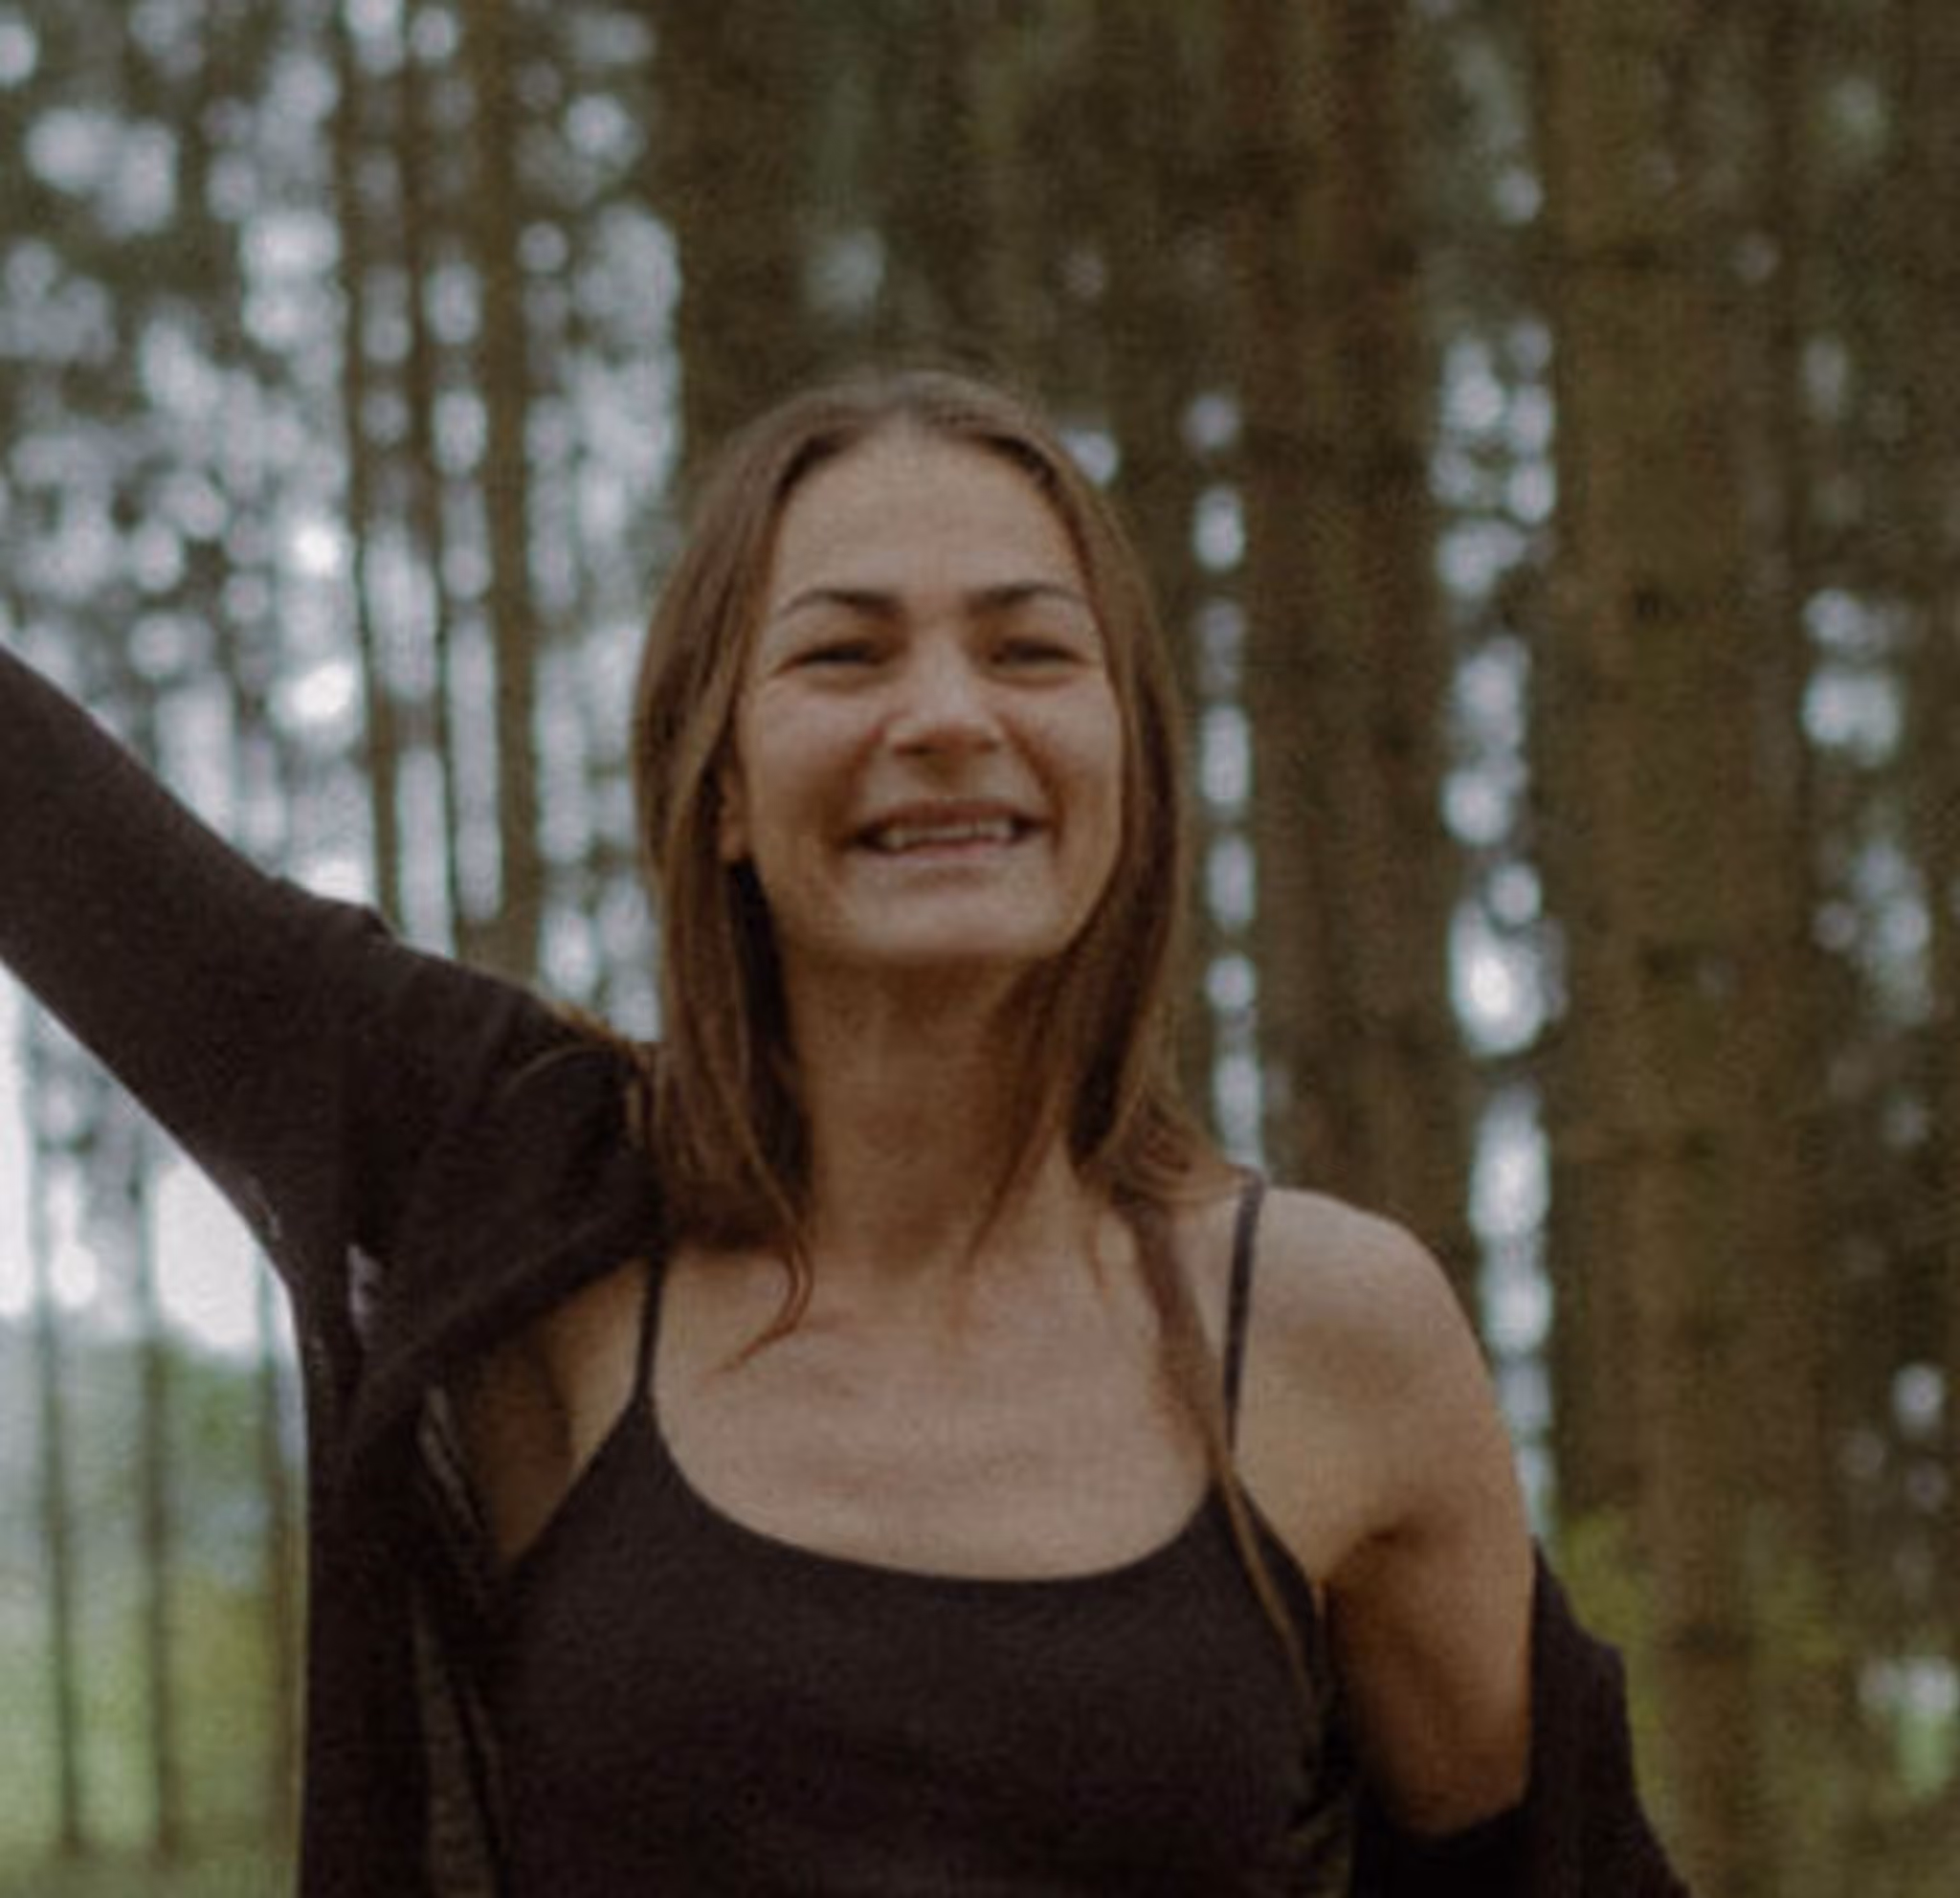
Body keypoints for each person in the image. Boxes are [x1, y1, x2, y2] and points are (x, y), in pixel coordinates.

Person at [0, 367, 1686, 1895]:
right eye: (843, 654)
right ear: (724, 783)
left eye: (1030, 650)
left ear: (1128, 762)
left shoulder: (1333, 1334)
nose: (947, 714)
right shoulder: (539, 1212)